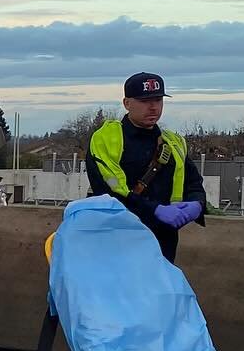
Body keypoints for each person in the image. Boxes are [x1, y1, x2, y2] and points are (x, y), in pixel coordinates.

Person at [85, 73, 206, 261]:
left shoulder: (172, 142)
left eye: (158, 100)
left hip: (162, 242)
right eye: (145, 101)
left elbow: (193, 182)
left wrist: (197, 204)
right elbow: (108, 192)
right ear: (127, 103)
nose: (153, 107)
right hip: (117, 238)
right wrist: (155, 210)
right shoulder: (106, 139)